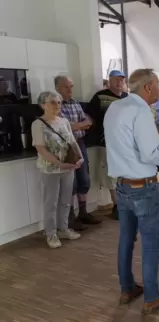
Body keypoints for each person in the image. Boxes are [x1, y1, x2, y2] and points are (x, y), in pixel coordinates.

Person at [103, 69, 159, 315]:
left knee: (126, 238)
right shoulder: (140, 111)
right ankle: (151, 297)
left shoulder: (115, 108)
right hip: (143, 187)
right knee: (150, 243)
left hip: (122, 186)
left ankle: (127, 288)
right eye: (158, 85)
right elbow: (151, 154)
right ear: (147, 87)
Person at [32, 91, 83, 248]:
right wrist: (59, 164)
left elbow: (73, 142)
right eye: (52, 102)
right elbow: (41, 149)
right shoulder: (38, 124)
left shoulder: (64, 121)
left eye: (59, 102)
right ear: (43, 105)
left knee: (66, 201)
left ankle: (64, 229)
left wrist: (80, 157)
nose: (57, 105)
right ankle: (51, 234)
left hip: (68, 168)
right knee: (51, 202)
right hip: (50, 169)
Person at [55, 75, 100, 232]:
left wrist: (78, 125)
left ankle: (83, 213)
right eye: (66, 86)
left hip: (79, 144)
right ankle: (70, 218)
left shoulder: (75, 104)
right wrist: (80, 125)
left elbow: (88, 122)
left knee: (84, 180)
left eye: (71, 86)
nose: (70, 89)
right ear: (57, 88)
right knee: (70, 184)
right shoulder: (56, 106)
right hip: (65, 147)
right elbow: (65, 128)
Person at [87, 70, 128, 220]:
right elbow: (89, 117)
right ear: (109, 80)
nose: (119, 83)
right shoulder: (99, 97)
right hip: (106, 142)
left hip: (124, 143)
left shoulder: (126, 98)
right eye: (116, 80)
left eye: (121, 80)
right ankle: (117, 204)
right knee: (111, 173)